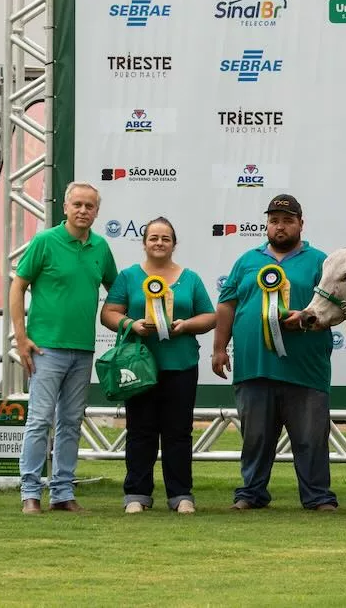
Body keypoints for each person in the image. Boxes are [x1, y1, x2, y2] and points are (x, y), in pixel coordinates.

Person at [212, 194, 338, 512]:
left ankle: (318, 497)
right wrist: (218, 348)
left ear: (300, 224)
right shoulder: (246, 261)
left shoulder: (320, 262)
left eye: (287, 220)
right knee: (255, 438)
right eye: (274, 221)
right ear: (267, 225)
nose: (280, 226)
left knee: (310, 439)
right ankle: (251, 493)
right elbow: (227, 304)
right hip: (254, 367)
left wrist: (307, 319)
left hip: (306, 369)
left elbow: (337, 307)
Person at [11, 181, 118, 514]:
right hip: (45, 349)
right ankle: (30, 493)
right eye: (78, 205)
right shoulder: (45, 241)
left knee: (71, 422)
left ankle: (62, 493)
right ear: (66, 208)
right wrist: (21, 336)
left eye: (90, 206)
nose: (84, 211)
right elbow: (18, 287)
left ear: (97, 211)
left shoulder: (100, 247)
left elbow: (116, 292)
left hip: (83, 349)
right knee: (40, 420)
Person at [100, 217, 216, 514]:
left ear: (174, 244)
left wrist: (186, 324)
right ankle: (137, 494)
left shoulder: (190, 278)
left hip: (181, 365)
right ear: (144, 243)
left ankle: (181, 495)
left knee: (178, 432)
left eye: (165, 238)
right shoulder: (128, 277)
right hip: (139, 368)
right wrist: (131, 324)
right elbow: (109, 313)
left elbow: (210, 316)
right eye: (154, 238)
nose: (159, 243)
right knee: (140, 431)